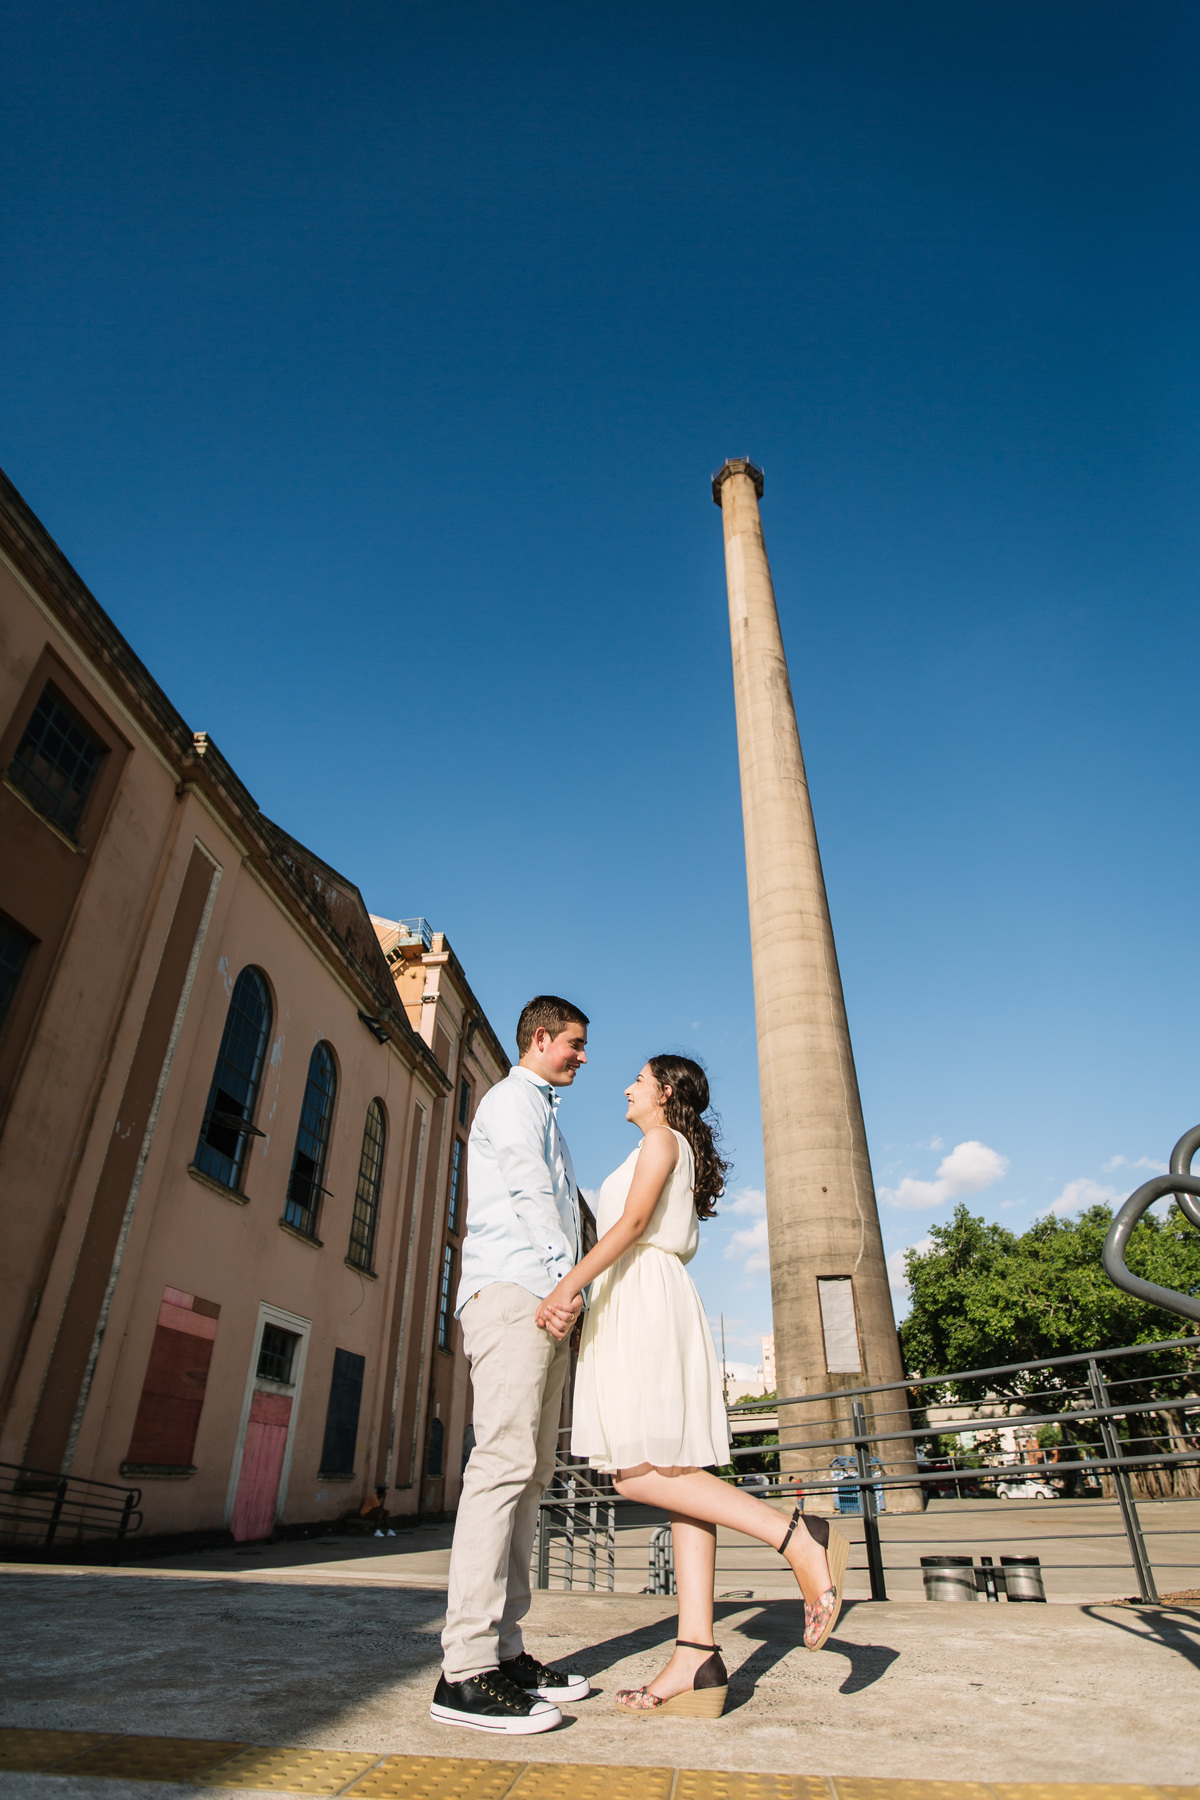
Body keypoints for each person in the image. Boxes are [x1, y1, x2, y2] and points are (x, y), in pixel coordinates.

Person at [537, 1053, 848, 1718]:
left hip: (643, 1298)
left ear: (665, 1091)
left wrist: (568, 1287)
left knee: (635, 1473)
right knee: (679, 1480)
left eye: (639, 1079)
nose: (627, 1087)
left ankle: (796, 1536)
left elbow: (629, 1226)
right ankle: (696, 1654)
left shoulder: (660, 1141)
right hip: (643, 1296)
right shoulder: (665, 1145)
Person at [432, 995, 594, 1736]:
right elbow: (531, 1192)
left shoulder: (545, 1111)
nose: (583, 1057)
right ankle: (463, 1671)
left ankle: (504, 1649)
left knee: (531, 1474)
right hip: (515, 1294)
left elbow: (561, 1204)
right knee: (500, 1469)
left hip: (542, 1296)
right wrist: (566, 1284)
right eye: (575, 1043)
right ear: (541, 1037)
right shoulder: (512, 1101)